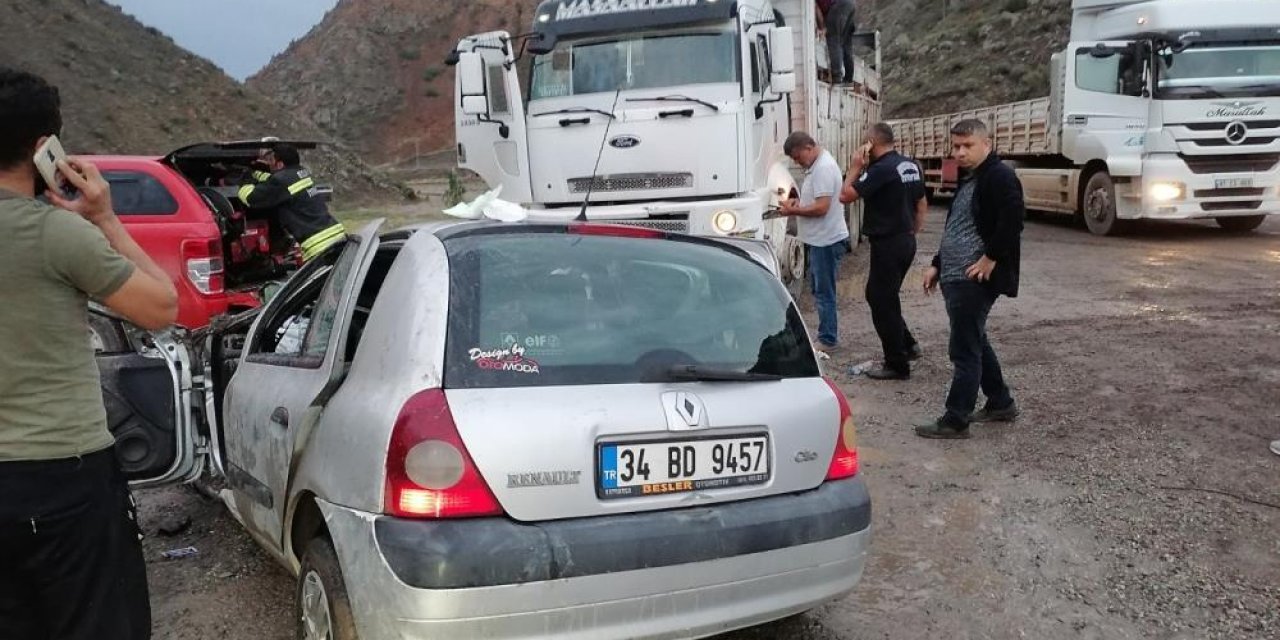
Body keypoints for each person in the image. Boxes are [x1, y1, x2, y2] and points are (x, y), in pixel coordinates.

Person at [0, 67, 178, 639]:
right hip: (63, 476)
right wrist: (104, 217)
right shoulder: (56, 234)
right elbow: (161, 307)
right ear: (42, 148)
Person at [916, 119, 1024, 439]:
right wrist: (937, 264)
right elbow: (957, 227)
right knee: (975, 339)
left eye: (968, 146)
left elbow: (1013, 220)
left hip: (973, 277)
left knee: (964, 350)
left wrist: (990, 258)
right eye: (956, 146)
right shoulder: (971, 178)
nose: (960, 152)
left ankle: (956, 419)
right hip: (955, 274)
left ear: (986, 144)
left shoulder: (999, 176)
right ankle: (1000, 402)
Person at [840, 122, 927, 380]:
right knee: (884, 297)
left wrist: (855, 167)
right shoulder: (910, 165)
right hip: (904, 240)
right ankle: (908, 345)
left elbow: (846, 195)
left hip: (888, 243)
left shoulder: (881, 169)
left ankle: (897, 364)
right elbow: (921, 202)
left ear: (871, 143)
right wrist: (912, 231)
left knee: (880, 300)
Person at [781, 131, 851, 352]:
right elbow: (816, 200)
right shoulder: (815, 167)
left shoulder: (823, 168)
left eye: (797, 157)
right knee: (819, 290)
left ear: (808, 148)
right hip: (820, 240)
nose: (797, 162)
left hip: (826, 241)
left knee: (824, 292)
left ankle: (828, 339)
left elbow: (822, 208)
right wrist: (798, 204)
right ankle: (826, 334)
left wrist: (794, 211)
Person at [238, 143, 345, 263]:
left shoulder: (280, 182)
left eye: (271, 160)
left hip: (318, 246)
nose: (269, 164)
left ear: (280, 164)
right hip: (337, 236)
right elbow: (275, 179)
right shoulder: (301, 173)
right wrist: (255, 172)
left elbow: (251, 198)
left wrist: (245, 181)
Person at [816, 0, 857, 84]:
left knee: (834, 40)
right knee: (846, 43)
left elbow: (817, 10)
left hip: (838, 5)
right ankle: (848, 79)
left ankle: (837, 78)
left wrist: (822, 28)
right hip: (851, 4)